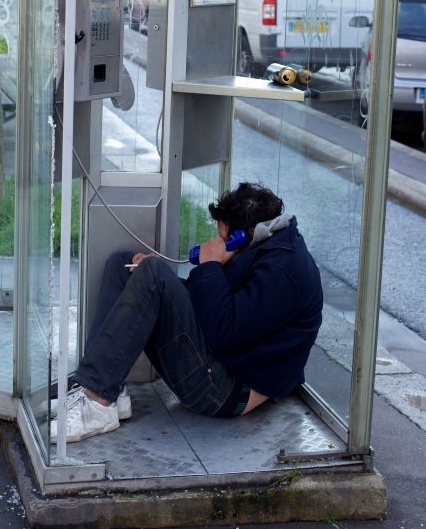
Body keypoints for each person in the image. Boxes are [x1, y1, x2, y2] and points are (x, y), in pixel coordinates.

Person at [50, 182, 323, 443]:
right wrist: (162, 277)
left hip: (224, 390)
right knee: (124, 266)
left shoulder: (281, 273)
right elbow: (216, 305)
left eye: (223, 237)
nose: (218, 242)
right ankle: (108, 387)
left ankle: (98, 402)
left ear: (244, 236)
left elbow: (223, 333)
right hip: (219, 360)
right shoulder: (264, 248)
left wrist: (211, 266)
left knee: (153, 275)